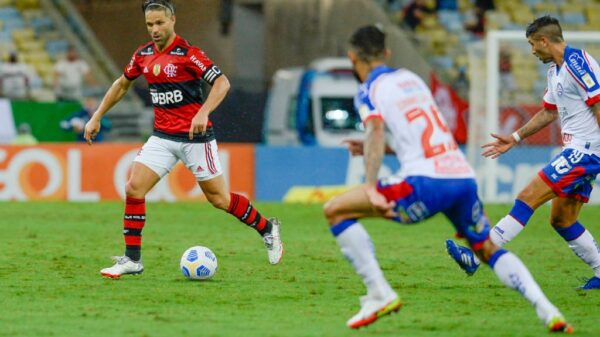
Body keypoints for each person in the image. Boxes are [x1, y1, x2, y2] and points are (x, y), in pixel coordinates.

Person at [323, 25, 572, 332]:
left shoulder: (368, 90)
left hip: (424, 184)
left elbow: (374, 128)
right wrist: (376, 147)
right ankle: (548, 311)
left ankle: (379, 292)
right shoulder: (410, 79)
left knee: (335, 210)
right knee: (486, 250)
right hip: (462, 179)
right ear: (386, 53)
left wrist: (371, 187)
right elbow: (423, 134)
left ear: (352, 57)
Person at [84, 0, 283, 278]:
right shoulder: (143, 55)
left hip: (195, 139)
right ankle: (132, 260)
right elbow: (121, 84)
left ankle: (267, 229)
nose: (154, 29)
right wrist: (96, 116)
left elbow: (222, 83)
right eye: (150, 24)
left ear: (173, 20)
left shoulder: (190, 54)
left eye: (159, 23)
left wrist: (203, 112)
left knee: (220, 199)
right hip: (162, 137)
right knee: (134, 188)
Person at [447, 16, 600, 291]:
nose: (532, 51)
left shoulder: (577, 63)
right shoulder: (555, 70)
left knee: (528, 197)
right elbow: (549, 112)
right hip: (579, 150)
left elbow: (599, 104)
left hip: (587, 150)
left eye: (533, 44)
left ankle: (477, 255)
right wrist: (515, 137)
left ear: (544, 40)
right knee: (562, 220)